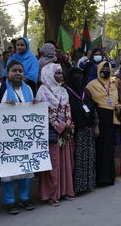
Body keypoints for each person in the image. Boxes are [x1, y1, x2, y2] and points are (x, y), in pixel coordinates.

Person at [0, 60, 39, 215]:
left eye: (20, 71)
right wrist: (2, 105)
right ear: (7, 72)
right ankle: (9, 200)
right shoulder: (0, 87)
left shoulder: (29, 89)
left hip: (24, 135)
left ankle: (24, 198)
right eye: (14, 70)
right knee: (9, 167)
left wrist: (35, 104)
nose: (18, 73)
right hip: (5, 135)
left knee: (26, 166)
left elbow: (30, 109)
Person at [36, 63, 75, 206]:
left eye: (60, 73)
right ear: (49, 74)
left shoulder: (63, 91)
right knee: (53, 165)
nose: (60, 76)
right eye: (57, 73)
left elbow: (68, 110)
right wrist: (62, 127)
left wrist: (69, 128)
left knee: (65, 163)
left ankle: (64, 191)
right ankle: (51, 194)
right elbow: (45, 113)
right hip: (52, 132)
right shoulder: (42, 91)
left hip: (64, 134)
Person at [86, 61, 120, 185]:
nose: (105, 70)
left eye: (107, 68)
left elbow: (117, 101)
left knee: (109, 149)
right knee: (99, 148)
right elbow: (89, 103)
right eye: (103, 68)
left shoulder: (112, 85)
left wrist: (118, 107)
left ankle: (109, 177)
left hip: (111, 120)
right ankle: (99, 179)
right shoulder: (91, 85)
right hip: (99, 119)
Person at [66, 67, 98, 193]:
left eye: (80, 75)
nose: (78, 78)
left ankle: (88, 184)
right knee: (77, 160)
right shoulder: (66, 92)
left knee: (89, 159)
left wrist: (96, 125)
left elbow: (93, 108)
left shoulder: (86, 92)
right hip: (76, 131)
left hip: (88, 130)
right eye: (75, 75)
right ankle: (76, 187)